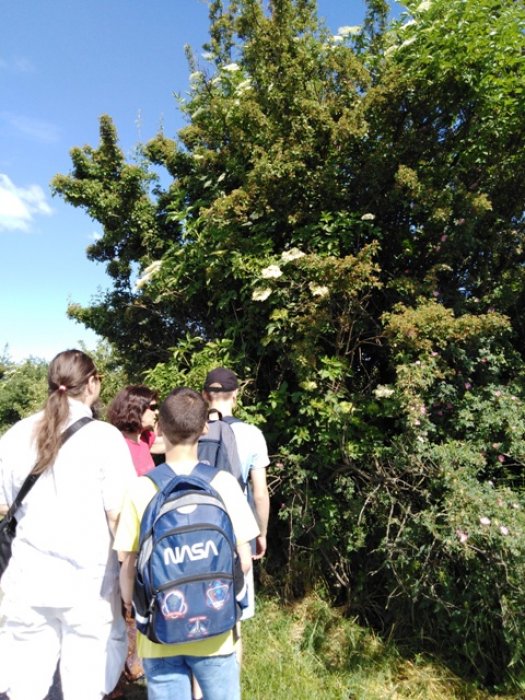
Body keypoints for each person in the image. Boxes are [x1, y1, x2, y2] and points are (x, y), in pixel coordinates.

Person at [0, 349, 136, 700]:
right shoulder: (106, 438)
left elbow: (4, 505)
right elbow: (118, 516)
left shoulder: (16, 434)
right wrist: (129, 585)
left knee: (25, 685)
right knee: (84, 686)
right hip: (89, 583)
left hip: (28, 577)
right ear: (91, 384)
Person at [114, 387, 259, 700]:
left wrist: (129, 603)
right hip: (216, 629)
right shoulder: (224, 483)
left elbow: (129, 563)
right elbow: (244, 562)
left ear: (159, 428)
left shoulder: (142, 488)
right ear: (205, 428)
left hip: (159, 631)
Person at [107, 384, 165, 690]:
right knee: (121, 611)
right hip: (122, 541)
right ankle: (116, 679)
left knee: (136, 607)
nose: (156, 413)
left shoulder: (145, 440)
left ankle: (131, 669)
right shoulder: (116, 446)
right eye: (152, 407)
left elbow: (175, 439)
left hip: (145, 537)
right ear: (135, 408)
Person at [107, 385, 164, 477]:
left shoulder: (145, 438)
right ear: (137, 409)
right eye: (153, 407)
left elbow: (173, 444)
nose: (157, 412)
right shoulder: (118, 444)